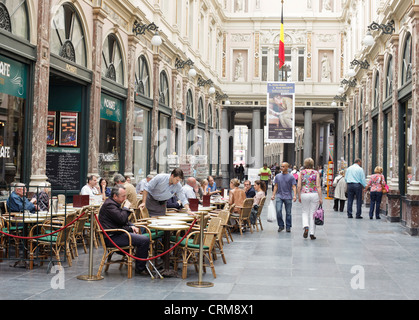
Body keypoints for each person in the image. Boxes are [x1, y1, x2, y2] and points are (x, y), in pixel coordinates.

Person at [98, 185, 150, 275]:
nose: (125, 198)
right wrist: (126, 208)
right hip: (112, 238)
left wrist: (132, 226)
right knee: (144, 240)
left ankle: (140, 263)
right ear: (115, 196)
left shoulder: (113, 203)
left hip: (117, 233)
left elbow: (122, 220)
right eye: (123, 196)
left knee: (141, 238)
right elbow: (122, 219)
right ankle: (140, 269)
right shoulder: (109, 205)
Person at [297, 158, 323, 240]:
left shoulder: (302, 172)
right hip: (314, 193)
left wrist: (299, 195)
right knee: (313, 213)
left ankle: (306, 226)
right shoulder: (316, 173)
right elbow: (318, 185)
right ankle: (312, 233)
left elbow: (299, 186)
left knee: (305, 211)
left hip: (304, 193)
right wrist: (320, 198)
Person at [271, 162, 297, 232]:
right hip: (279, 196)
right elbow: (276, 186)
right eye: (281, 166)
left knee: (288, 212)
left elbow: (294, 186)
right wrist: (273, 195)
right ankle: (281, 225)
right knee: (278, 211)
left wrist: (295, 195)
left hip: (288, 196)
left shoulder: (291, 177)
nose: (281, 168)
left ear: (287, 168)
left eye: (283, 166)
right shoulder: (278, 176)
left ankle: (288, 226)